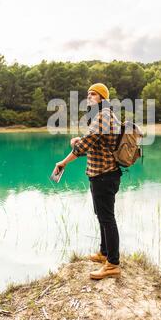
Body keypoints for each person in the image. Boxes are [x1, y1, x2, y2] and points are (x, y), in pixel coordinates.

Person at [53, 83, 123, 280]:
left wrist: (63, 162)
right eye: (88, 94)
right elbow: (94, 144)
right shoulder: (104, 115)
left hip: (104, 175)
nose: (89, 97)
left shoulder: (104, 115)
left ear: (102, 97)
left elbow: (85, 145)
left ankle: (113, 264)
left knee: (107, 218)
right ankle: (104, 253)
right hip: (102, 174)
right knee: (102, 215)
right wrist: (80, 142)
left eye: (93, 94)